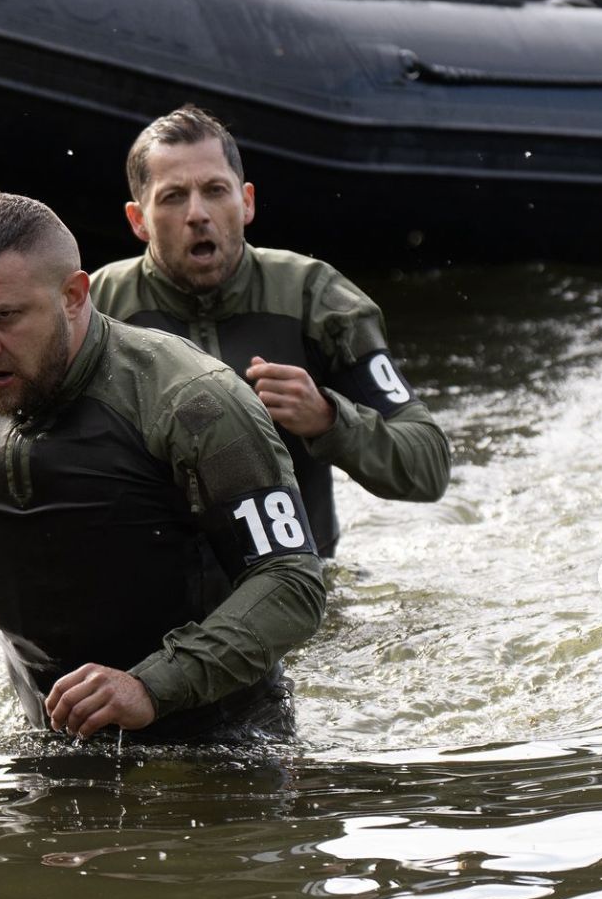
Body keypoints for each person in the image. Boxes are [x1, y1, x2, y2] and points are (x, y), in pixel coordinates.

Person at [0, 191, 326, 742]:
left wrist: (151, 686)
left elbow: (290, 579)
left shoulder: (192, 401)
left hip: (222, 737)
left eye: (4, 316)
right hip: (48, 740)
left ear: (73, 296)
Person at [89, 104, 451, 558]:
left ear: (247, 203)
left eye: (215, 190)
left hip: (301, 580)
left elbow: (429, 464)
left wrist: (328, 419)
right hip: (159, 587)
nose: (198, 213)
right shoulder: (95, 313)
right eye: (173, 197)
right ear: (137, 220)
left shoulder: (315, 298)